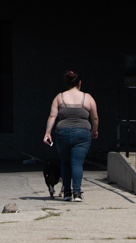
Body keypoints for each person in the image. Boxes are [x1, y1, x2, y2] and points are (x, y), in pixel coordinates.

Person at [42, 70, 98, 202]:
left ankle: (67, 193)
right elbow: (95, 117)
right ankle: (77, 193)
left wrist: (47, 133)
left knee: (65, 163)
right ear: (80, 83)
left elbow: (52, 116)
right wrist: (94, 130)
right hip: (82, 133)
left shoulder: (59, 97)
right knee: (77, 164)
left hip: (63, 133)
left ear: (67, 83)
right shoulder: (87, 97)